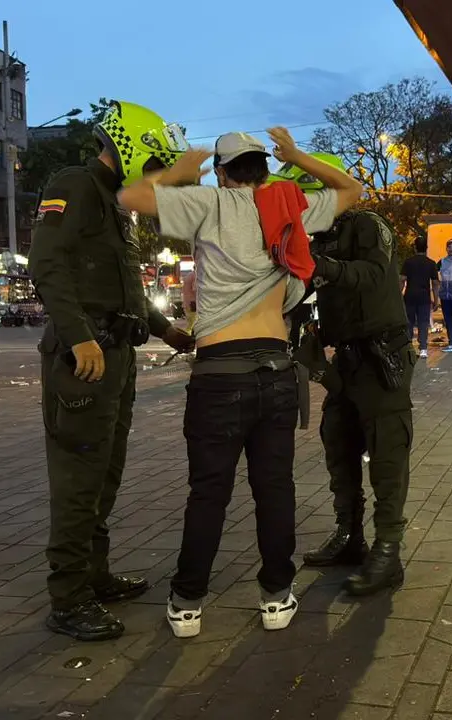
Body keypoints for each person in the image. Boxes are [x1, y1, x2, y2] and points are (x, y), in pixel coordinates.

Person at [118, 128, 363, 637]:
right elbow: (351, 190)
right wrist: (298, 156)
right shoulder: (289, 206)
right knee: (275, 489)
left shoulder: (209, 203)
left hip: (219, 374)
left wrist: (181, 171)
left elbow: (131, 197)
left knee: (209, 494)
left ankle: (188, 604)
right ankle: (276, 597)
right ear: (265, 170)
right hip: (275, 370)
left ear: (223, 172)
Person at [28, 100, 195, 642]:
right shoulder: (75, 185)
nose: (156, 177)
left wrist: (166, 331)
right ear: (132, 149)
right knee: (79, 479)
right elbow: (46, 264)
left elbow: (125, 289)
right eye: (155, 165)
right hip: (85, 358)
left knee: (105, 472)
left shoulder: (115, 203)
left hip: (116, 355)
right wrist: (79, 335)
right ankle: (68, 597)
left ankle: (94, 575)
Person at [276, 154, 416, 598]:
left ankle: (388, 551)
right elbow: (302, 294)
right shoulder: (316, 240)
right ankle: (350, 535)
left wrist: (320, 265)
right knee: (338, 444)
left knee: (387, 455)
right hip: (346, 361)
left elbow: (373, 275)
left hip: (383, 358)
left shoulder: (367, 225)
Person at [401, 236, 438, 357]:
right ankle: (423, 348)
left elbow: (402, 279)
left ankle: (408, 346)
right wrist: (436, 300)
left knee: (409, 322)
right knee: (423, 322)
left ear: (415, 248)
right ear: (426, 248)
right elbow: (435, 283)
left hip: (410, 296)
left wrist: (399, 295)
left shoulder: (408, 262)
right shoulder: (431, 263)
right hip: (424, 297)